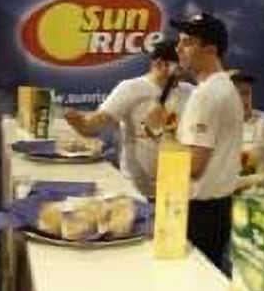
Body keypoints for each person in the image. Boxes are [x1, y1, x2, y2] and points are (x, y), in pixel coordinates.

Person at [65, 40, 193, 198]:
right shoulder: (131, 89)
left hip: (176, 189)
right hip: (138, 189)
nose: (183, 73)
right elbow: (96, 124)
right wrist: (80, 122)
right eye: (179, 68)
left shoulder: (190, 92)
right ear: (160, 64)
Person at [170, 12, 243, 273]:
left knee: (193, 283)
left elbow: (193, 165)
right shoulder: (224, 88)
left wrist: (161, 138)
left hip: (199, 212)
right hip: (215, 209)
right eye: (179, 41)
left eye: (187, 42)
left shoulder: (207, 94)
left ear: (210, 50)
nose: (178, 48)